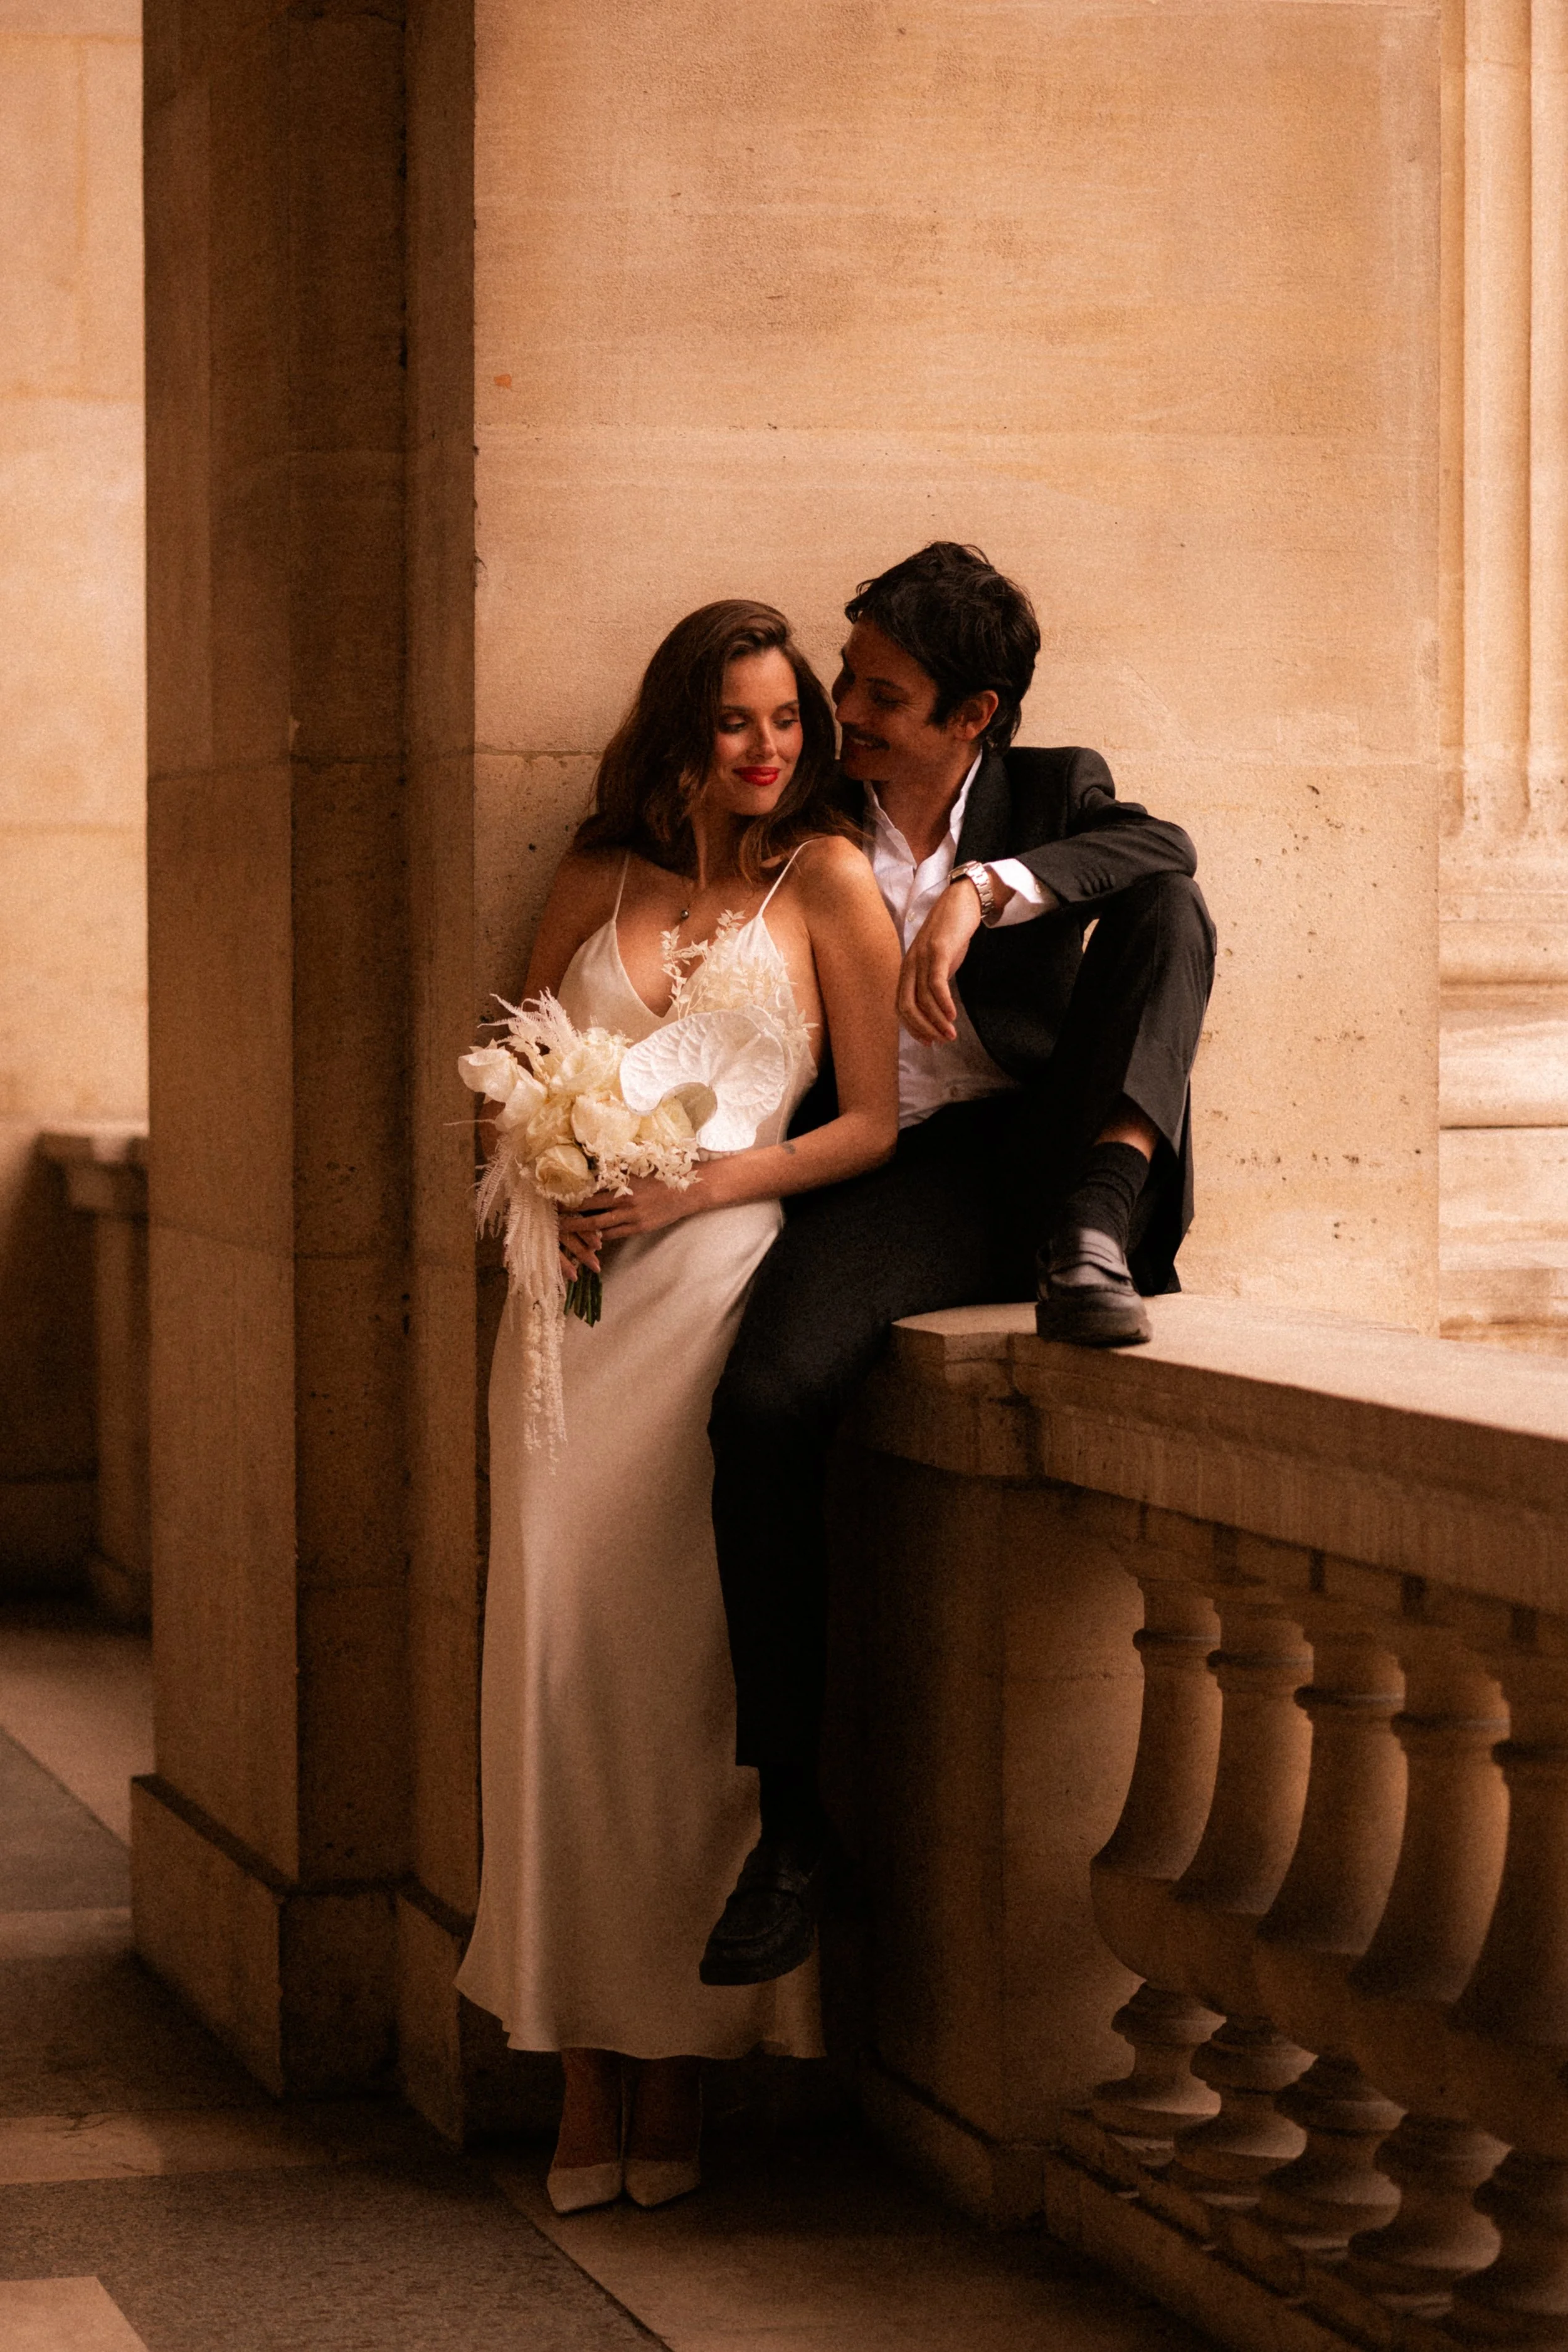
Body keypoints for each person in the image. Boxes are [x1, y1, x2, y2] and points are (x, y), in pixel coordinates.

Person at [701, 542, 1216, 1990]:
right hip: (892, 1176)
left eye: (881, 693)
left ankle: (1098, 1221)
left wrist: (979, 892)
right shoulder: (806, 810)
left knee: (1174, 911)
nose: (841, 709)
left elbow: (1159, 852)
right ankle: (794, 1822)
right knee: (762, 1405)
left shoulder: (1053, 793)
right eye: (845, 679)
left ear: (970, 715)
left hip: (1048, 1157)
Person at [454, 601, 901, 2215]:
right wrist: (544, 1171)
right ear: (679, 730)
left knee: (681, 1682)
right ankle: (581, 2062)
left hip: (716, 1296)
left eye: (788, 719)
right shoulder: (595, 878)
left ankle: (685, 2064)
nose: (767, 747)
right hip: (564, 1324)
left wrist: (705, 1183)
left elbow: (868, 1128)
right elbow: (512, 1074)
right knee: (561, 1674)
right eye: (734, 721)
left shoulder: (832, 883)